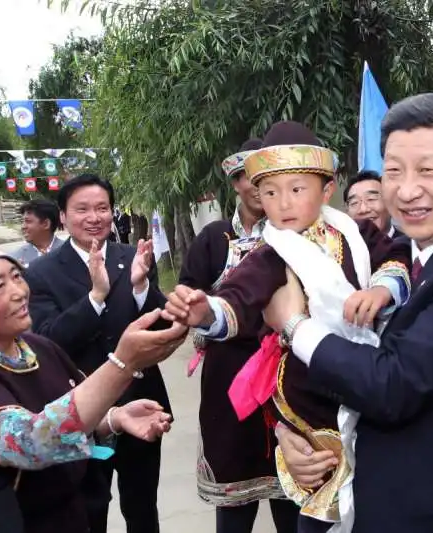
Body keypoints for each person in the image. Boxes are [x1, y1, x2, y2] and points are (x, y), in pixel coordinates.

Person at [262, 94, 433, 533]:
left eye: (428, 171)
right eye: (394, 170)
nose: (407, 190)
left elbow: (392, 384)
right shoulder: (383, 257)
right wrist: (291, 434)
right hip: (366, 502)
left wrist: (295, 325)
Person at [164, 120, 411, 533]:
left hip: (368, 381)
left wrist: (383, 289)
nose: (283, 203)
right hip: (306, 398)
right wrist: (205, 311)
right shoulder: (270, 253)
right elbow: (238, 298)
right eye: (271, 192)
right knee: (318, 507)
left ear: (326, 190)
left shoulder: (356, 232)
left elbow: (397, 254)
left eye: (297, 189)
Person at [0, 236, 188, 533]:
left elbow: (72, 406)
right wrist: (123, 364)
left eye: (17, 277)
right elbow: (34, 441)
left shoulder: (37, 347)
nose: (18, 292)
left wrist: (112, 418)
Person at [24, 174, 170, 533]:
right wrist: (96, 298)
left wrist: (140, 287)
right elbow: (48, 341)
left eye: (102, 208)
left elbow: (163, 322)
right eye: (82, 209)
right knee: (89, 512)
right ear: (62, 217)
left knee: (143, 508)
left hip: (142, 402)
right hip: (83, 411)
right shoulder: (41, 273)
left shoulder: (131, 257)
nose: (94, 217)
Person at [179, 138, 298, 533]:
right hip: (228, 384)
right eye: (250, 177)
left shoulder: (295, 235)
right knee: (234, 502)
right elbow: (188, 294)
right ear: (235, 183)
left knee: (292, 492)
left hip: (286, 376)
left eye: (269, 177)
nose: (259, 186)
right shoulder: (212, 238)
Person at [343, 170, 403, 239]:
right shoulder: (339, 248)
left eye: (371, 199)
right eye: (354, 202)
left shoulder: (411, 247)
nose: (363, 209)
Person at [13, 199, 65, 267]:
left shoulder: (69, 252)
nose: (23, 227)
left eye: (28, 221)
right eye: (22, 222)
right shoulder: (15, 258)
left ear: (46, 224)